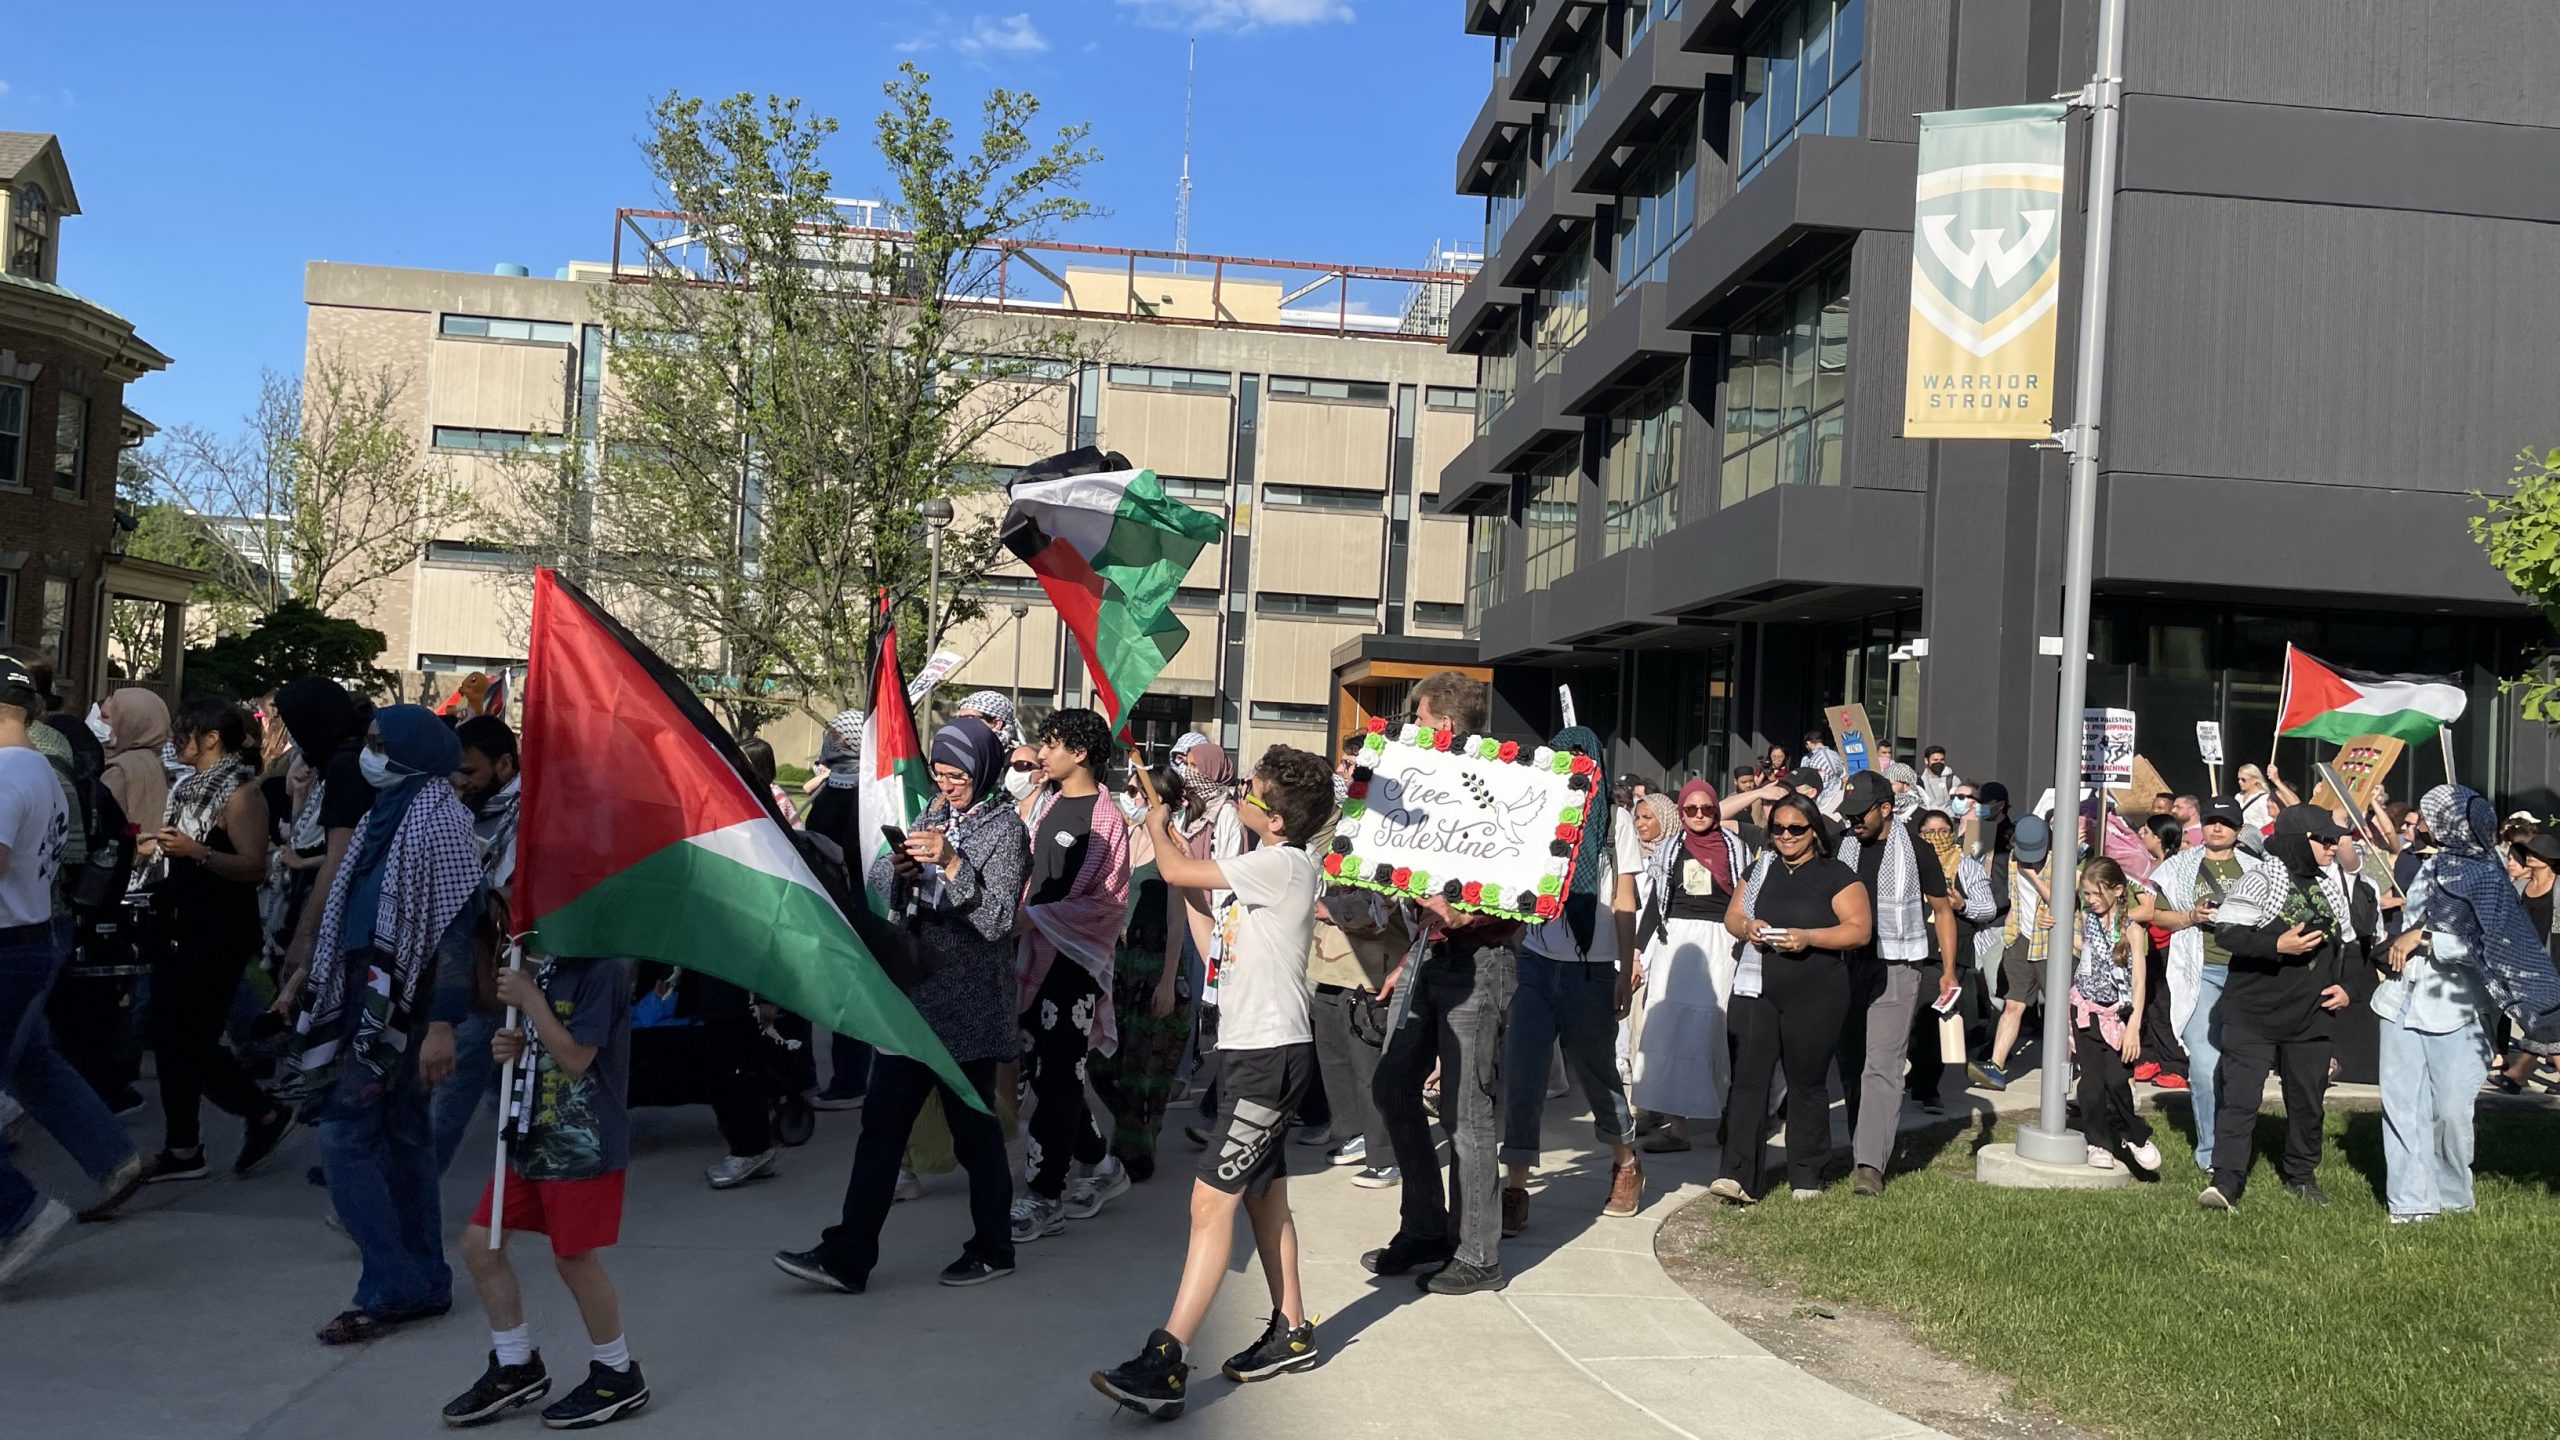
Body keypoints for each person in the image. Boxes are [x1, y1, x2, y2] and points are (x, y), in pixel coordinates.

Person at [1093, 746, 1332, 1419]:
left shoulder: (1281, 865)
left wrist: (1163, 819)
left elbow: (1169, 864)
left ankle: (1166, 1358)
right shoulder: (1264, 871)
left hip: (1268, 1058)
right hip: (1253, 1052)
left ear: (1278, 820)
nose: (1240, 799)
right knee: (1264, 1197)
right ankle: (1292, 1327)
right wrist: (1184, 861)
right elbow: (1209, 937)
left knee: (1209, 1204)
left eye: (1251, 793)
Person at [773, 721, 1025, 1293]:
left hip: (966, 1010)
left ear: (985, 769)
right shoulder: (934, 810)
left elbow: (996, 921)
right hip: (913, 999)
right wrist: (906, 867)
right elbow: (887, 879)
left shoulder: (1005, 830)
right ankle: (847, 1256)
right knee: (882, 1125)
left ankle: (993, 1246)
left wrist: (955, 865)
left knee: (974, 1134)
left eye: (958, 775)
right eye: (939, 773)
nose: (947, 784)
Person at [296, 705, 481, 1345]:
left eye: (379, 743)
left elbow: (456, 930)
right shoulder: (387, 815)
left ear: (411, 751)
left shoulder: (440, 823)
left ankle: (391, 1284)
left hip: (405, 1011)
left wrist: (441, 1026)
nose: (368, 753)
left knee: (346, 1136)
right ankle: (422, 1281)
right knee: (402, 1140)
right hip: (369, 995)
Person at [442, 949, 647, 1428]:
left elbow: (577, 1058)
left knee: (573, 1257)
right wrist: (513, 1045)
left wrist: (531, 998)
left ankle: (617, 1373)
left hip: (582, 1139)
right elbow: (545, 1044)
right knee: (481, 1244)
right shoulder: (548, 966)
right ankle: (515, 1364)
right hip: (528, 1135)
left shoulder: (604, 972)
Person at [1365, 668, 1521, 1296]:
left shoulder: (1504, 788)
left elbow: (1521, 884)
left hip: (1478, 961)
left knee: (1466, 1108)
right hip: (1430, 955)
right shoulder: (1428, 785)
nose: (1413, 729)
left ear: (1446, 723)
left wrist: (1467, 913)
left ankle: (1478, 1253)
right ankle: (1427, 1228)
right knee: (1393, 1085)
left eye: (1421, 719)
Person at [0, 656, 142, 1290]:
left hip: (9, 943)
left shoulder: (7, 773)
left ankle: (17, 1214)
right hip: (30, 935)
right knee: (32, 1060)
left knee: (30, 1061)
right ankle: (111, 1154)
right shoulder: (36, 765)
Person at [132, 696, 294, 1184]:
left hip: (217, 931)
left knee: (193, 1038)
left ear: (211, 740)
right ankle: (183, 1146)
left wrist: (197, 852)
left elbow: (252, 865)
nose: (174, 741)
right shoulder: (187, 787)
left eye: (184, 733)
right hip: (180, 923)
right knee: (168, 1036)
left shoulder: (241, 793)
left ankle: (260, 1111)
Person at [1501, 726, 1644, 1237]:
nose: (1573, 769)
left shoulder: (1615, 821)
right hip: (1539, 961)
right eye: (1563, 760)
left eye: (1582, 760)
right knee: (1523, 1073)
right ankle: (1515, 1185)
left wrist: (1626, 966)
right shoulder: (1539, 810)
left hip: (1593, 966)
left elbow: (1625, 899)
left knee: (1597, 1072)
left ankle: (1626, 1163)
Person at [1709, 794, 1871, 1203]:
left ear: (1814, 831)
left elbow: (1859, 930)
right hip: (1756, 988)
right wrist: (1749, 926)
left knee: (1806, 1082)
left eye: (1796, 828)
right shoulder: (1760, 869)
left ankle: (1806, 1175)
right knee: (1747, 1078)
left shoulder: (1838, 875)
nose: (1786, 836)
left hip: (1817, 991)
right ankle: (1738, 1175)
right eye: (1778, 828)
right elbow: (1732, 916)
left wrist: (1811, 937)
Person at [1012, 707, 1131, 1241]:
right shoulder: (1048, 803)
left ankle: (1045, 1193)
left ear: (1079, 753)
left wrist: (1036, 916)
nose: (1042, 753)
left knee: (1058, 1075)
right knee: (1048, 1072)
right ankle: (1102, 1163)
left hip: (1074, 966)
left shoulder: (1106, 821)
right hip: (1035, 955)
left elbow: (1108, 904)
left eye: (1052, 744)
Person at [2200, 805, 2353, 1211]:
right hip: (2252, 1016)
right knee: (2241, 1100)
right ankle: (2226, 1181)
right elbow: (2229, 934)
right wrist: (2275, 946)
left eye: (2334, 839)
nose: (2332, 846)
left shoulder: (2331, 886)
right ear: (2295, 842)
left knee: (2308, 1101)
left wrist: (2346, 987)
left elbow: (2349, 945)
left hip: (2311, 1018)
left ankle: (2301, 1176)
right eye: (2324, 839)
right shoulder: (2259, 881)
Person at [2373, 785, 2504, 1224]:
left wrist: (2427, 939)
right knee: (2402, 1105)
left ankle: (2452, 1193)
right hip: (2400, 999)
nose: (2421, 822)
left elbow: (2494, 949)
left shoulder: (2491, 876)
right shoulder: (2428, 870)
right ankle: (2411, 1202)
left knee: (2450, 1110)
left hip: (2459, 1007)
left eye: (2431, 815)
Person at [1832, 771, 1957, 1196]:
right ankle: (1859, 1144)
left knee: (1882, 1065)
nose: (1853, 823)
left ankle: (1869, 1166)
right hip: (1846, 965)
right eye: (1847, 815)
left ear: (1886, 808)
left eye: (1860, 814)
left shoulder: (1916, 850)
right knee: (1850, 1064)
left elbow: (1942, 910)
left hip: (1898, 966)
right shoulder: (1841, 847)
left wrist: (1948, 970)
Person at [1632, 780, 1759, 1152]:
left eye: (1707, 809)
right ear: (1682, 812)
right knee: (1673, 1032)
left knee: (1717, 1029)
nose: (1700, 815)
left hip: (1722, 943)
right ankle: (1679, 1127)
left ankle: (1728, 1118)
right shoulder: (1671, 848)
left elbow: (1748, 898)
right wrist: (1637, 951)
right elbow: (1657, 904)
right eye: (1691, 809)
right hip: (1677, 946)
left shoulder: (1736, 848)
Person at [2138, 798, 2260, 1173]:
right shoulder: (2179, 867)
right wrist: (2191, 915)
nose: (2217, 828)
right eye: (2211, 821)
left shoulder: (2260, 869)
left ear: (2239, 830)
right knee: (2205, 1067)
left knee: (2240, 1069)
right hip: (2199, 971)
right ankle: (2211, 1153)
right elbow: (2153, 914)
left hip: (2247, 975)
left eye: (2225, 822)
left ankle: (2238, 1142)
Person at [1089, 760, 1194, 1182]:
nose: (1130, 799)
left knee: (1143, 1066)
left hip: (1155, 962)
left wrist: (1169, 980)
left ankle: (1134, 1152)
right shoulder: (1126, 837)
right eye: (1129, 791)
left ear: (1162, 802)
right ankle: (1141, 1129)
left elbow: (1177, 920)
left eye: (1138, 793)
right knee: (1102, 1060)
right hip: (1118, 960)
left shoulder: (1174, 845)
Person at [1303, 742, 1401, 1186]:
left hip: (1368, 966)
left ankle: (1384, 1153)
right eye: (1342, 765)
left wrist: (1334, 909)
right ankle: (1352, 1133)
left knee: (1368, 1067)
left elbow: (1390, 899)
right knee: (1334, 1060)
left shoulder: (1392, 830)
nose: (1344, 773)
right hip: (1327, 960)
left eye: (1352, 766)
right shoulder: (1337, 822)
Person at [429, 716, 521, 1176]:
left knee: (451, 1083)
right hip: (458, 962)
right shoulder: (465, 807)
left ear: (504, 763)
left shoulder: (529, 813)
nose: (459, 782)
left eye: (469, 772)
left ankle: (398, 1199)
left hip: (494, 969)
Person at [2070, 858, 2164, 1172]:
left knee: (2117, 1079)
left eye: (2097, 894)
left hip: (2118, 1016)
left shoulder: (2131, 930)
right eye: (2086, 894)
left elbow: (2138, 980)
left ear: (2118, 890)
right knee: (2091, 1085)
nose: (2091, 900)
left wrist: (2134, 1026)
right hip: (2085, 1009)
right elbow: (2082, 946)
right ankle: (2098, 1143)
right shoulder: (2085, 918)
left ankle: (2134, 1133)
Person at [802, 710, 872, 1111]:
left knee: (852, 993)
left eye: (837, 735)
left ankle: (851, 1080)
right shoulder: (833, 785)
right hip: (830, 901)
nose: (829, 741)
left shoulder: (864, 793)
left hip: (854, 904)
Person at [1972, 815, 2051, 1091]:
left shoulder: (2059, 862)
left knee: (2059, 1009)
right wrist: (2010, 932)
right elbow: (2015, 900)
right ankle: (1996, 1066)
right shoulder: (2014, 861)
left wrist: (2032, 874)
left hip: (2051, 944)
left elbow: (2060, 898)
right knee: (2012, 1004)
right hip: (2021, 941)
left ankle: (2065, 1070)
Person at [1799, 728, 1846, 817]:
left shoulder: (1809, 759)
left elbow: (1804, 781)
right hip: (1837, 799)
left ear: (1808, 743)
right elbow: (1844, 776)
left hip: (1818, 802)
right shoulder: (1835, 755)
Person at [953, 690, 1018, 740]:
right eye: (960, 719)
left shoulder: (1018, 756)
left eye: (970, 719)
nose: (962, 725)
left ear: (997, 724)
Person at [1916, 746, 1962, 812]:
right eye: (1935, 760)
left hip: (1947, 818)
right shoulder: (1919, 780)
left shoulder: (1952, 780)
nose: (1939, 763)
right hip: (1928, 818)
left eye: (1941, 760)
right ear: (1926, 761)